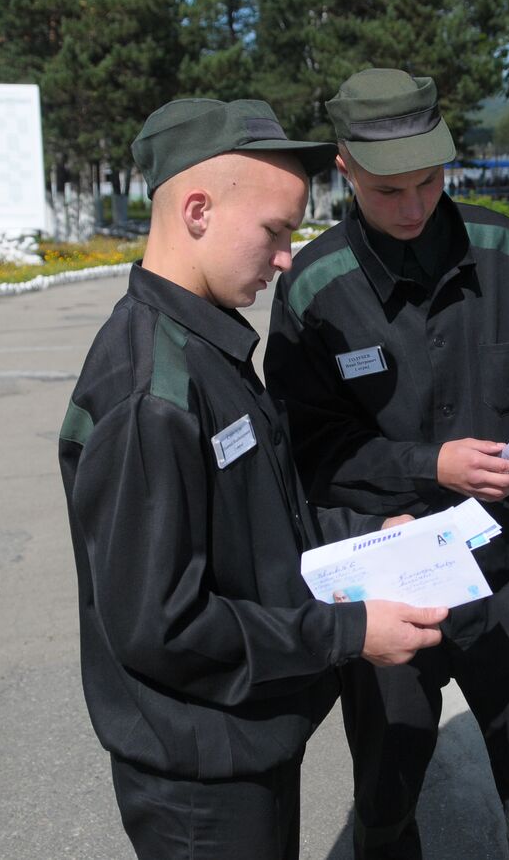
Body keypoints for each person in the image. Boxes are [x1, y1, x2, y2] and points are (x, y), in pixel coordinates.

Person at [57, 97, 447, 860]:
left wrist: (370, 538)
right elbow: (163, 627)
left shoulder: (209, 349)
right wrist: (350, 631)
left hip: (243, 738)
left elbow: (263, 525)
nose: (285, 260)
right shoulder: (151, 393)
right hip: (198, 779)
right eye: (274, 234)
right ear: (197, 210)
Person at [265, 69, 509, 860]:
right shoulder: (315, 290)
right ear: (345, 171)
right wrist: (430, 465)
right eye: (390, 192)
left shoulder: (505, 248)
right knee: (385, 784)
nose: (415, 207)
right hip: (390, 580)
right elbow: (306, 453)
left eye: (429, 182)